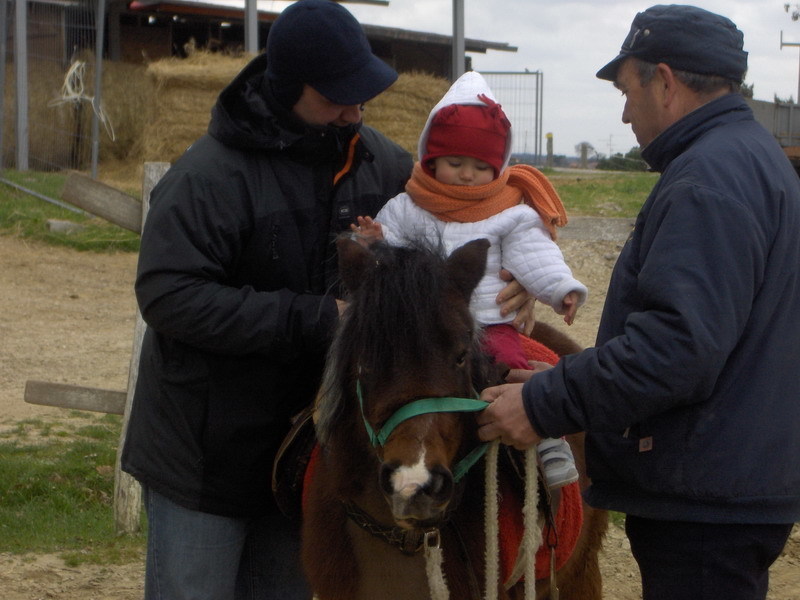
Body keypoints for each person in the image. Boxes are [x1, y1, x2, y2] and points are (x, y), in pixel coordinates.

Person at [120, 1, 533, 599]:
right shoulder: (208, 178)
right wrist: (317, 318)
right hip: (205, 453)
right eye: (336, 94)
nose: (355, 108)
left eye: (359, 92)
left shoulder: (383, 164)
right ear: (288, 87)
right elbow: (169, 295)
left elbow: (469, 207)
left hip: (310, 460)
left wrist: (516, 267)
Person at [475, 5, 800, 600]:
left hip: (703, 502)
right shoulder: (751, 159)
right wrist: (562, 378)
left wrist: (546, 402)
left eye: (628, 90)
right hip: (731, 480)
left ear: (666, 81)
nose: (624, 112)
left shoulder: (708, 179)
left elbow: (678, 349)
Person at [352, 71, 587, 488]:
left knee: (514, 373)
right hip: (422, 329)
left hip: (490, 320)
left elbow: (535, 255)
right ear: (430, 158)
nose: (465, 175)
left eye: (480, 166)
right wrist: (374, 246)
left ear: (498, 167)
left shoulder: (510, 210)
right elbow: (391, 266)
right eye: (455, 163)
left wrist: (560, 288)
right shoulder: (407, 206)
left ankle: (549, 441)